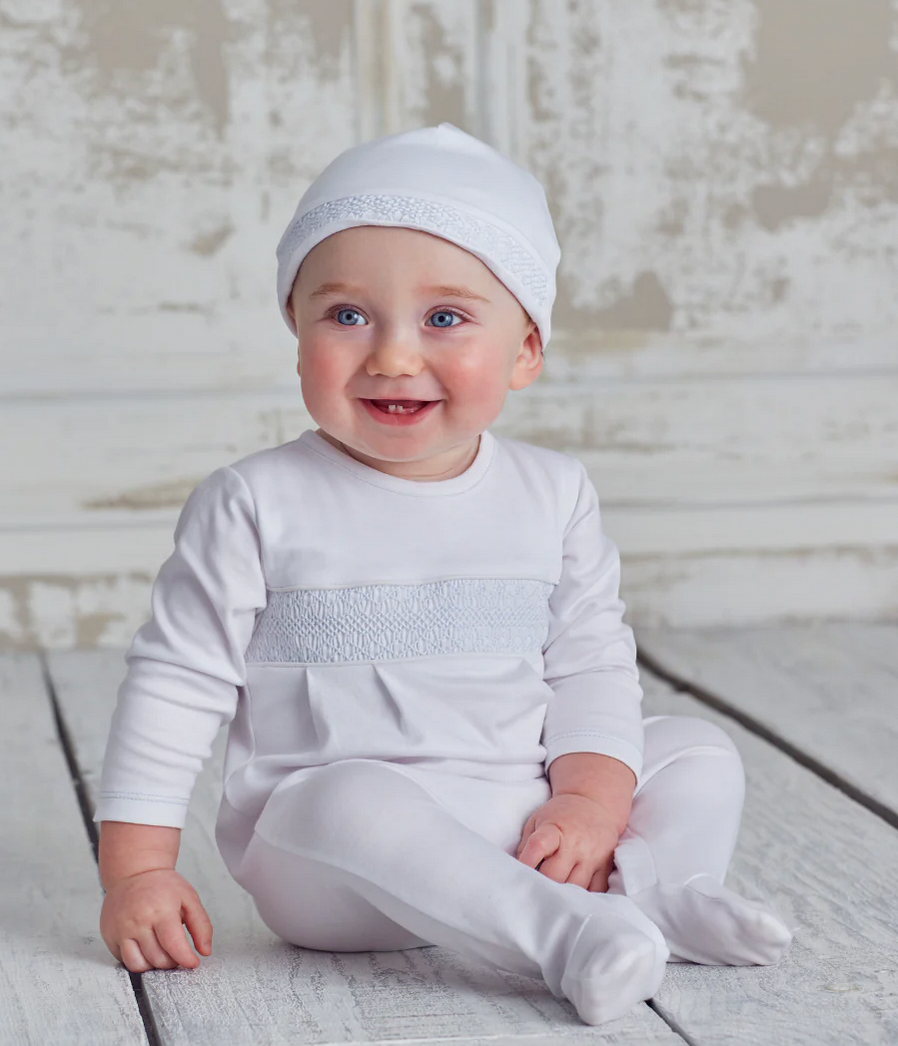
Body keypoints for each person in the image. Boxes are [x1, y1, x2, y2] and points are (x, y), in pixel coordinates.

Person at [94, 123, 794, 1027]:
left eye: (445, 319)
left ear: (526, 351)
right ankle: (568, 937)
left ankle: (663, 889)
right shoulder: (256, 502)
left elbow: (589, 665)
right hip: (339, 871)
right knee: (343, 797)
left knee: (694, 749)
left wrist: (586, 799)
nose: (391, 354)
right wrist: (139, 871)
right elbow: (176, 683)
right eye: (346, 315)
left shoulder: (553, 493)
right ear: (294, 328)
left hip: (528, 822)